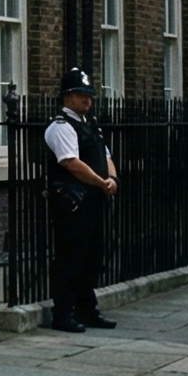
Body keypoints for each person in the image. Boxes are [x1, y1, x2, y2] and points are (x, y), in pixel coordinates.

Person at [44, 69, 118, 332]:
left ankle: (87, 309)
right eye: (80, 95)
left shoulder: (90, 125)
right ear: (67, 97)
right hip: (72, 203)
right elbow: (70, 162)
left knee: (91, 257)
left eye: (89, 95)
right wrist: (101, 182)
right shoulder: (61, 127)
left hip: (93, 201)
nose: (87, 100)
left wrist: (112, 179)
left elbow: (106, 154)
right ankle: (63, 313)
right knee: (70, 258)